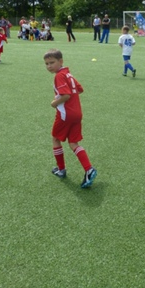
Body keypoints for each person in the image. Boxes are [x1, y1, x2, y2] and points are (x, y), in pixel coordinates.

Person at [43, 49, 97, 188]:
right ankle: (89, 169)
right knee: (73, 143)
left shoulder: (59, 76)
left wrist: (54, 103)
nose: (49, 66)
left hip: (65, 114)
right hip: (77, 113)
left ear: (61, 61)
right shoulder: (68, 74)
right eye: (47, 64)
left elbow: (66, 95)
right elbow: (80, 89)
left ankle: (61, 170)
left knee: (56, 138)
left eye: (52, 62)